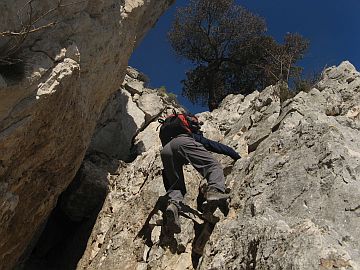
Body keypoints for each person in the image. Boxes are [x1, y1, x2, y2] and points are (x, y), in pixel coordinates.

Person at [159, 114, 240, 233]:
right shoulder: (192, 135)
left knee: (177, 186)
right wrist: (236, 156)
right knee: (213, 166)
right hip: (183, 142)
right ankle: (215, 190)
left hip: (165, 150)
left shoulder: (170, 135)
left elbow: (167, 176)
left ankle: (173, 205)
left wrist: (170, 188)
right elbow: (214, 146)